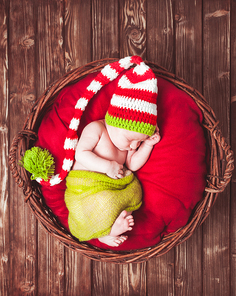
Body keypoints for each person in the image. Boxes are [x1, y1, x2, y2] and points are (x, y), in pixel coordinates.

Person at [64, 56, 160, 247]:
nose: (133, 146)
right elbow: (80, 153)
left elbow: (132, 164)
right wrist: (106, 166)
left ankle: (116, 223)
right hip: (86, 189)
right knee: (104, 202)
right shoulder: (96, 130)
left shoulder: (127, 145)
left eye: (138, 142)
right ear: (114, 122)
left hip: (113, 188)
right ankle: (104, 234)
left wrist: (147, 145)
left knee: (134, 190)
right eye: (131, 140)